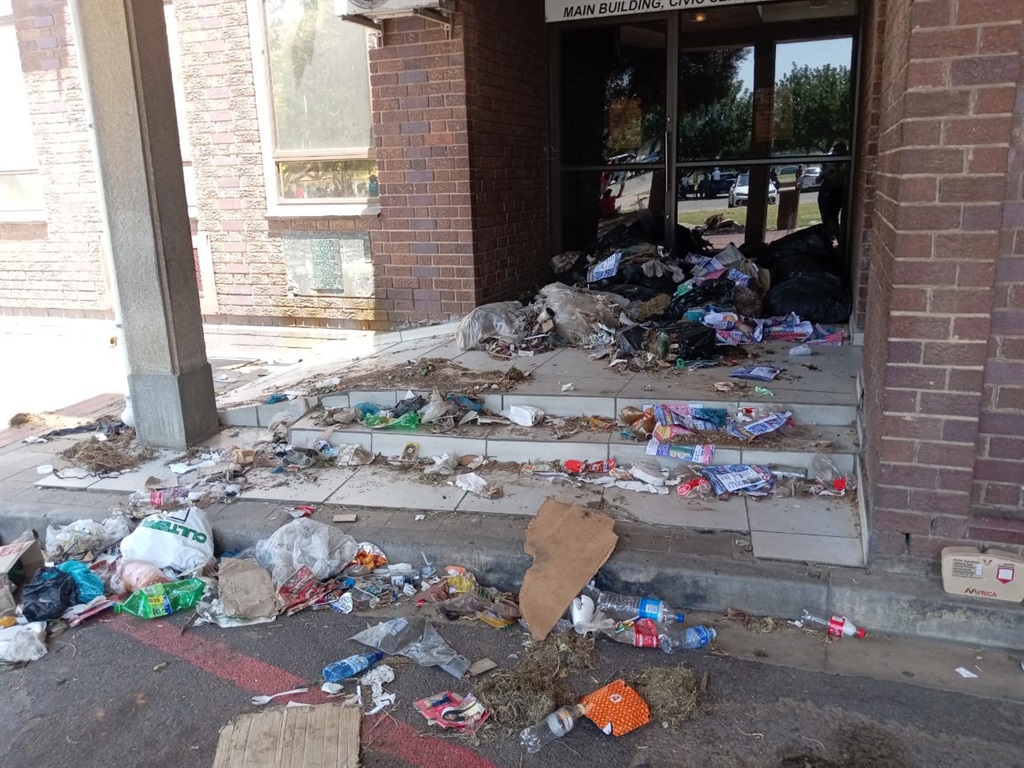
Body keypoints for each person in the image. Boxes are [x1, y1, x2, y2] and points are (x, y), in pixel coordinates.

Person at [817, 141, 850, 250]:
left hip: (836, 192)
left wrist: (831, 174)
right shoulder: (831, 162)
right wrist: (824, 173)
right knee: (826, 216)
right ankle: (830, 239)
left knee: (831, 216)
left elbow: (839, 178)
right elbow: (820, 178)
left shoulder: (846, 163)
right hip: (826, 191)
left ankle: (839, 241)